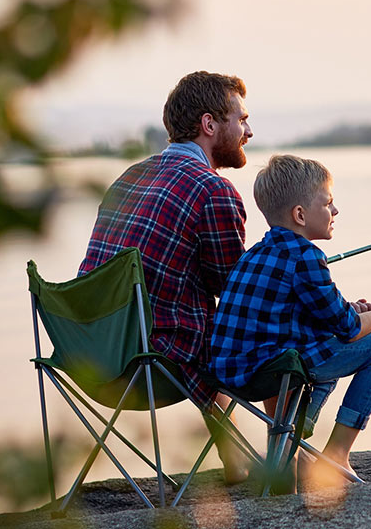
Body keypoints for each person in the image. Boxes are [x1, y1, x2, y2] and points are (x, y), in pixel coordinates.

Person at [78, 71, 254, 482]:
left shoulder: (129, 177)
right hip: (149, 365)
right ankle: (280, 462)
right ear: (210, 125)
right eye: (241, 119)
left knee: (199, 322)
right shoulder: (213, 190)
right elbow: (234, 295)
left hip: (90, 355)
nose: (249, 130)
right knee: (253, 326)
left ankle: (237, 460)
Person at [210, 154, 371, 483]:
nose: (335, 211)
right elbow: (348, 329)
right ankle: (336, 454)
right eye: (328, 203)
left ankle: (291, 446)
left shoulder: (253, 255)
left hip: (230, 374)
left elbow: (302, 311)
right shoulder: (306, 256)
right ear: (300, 215)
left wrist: (352, 308)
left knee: (322, 341)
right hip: (273, 371)